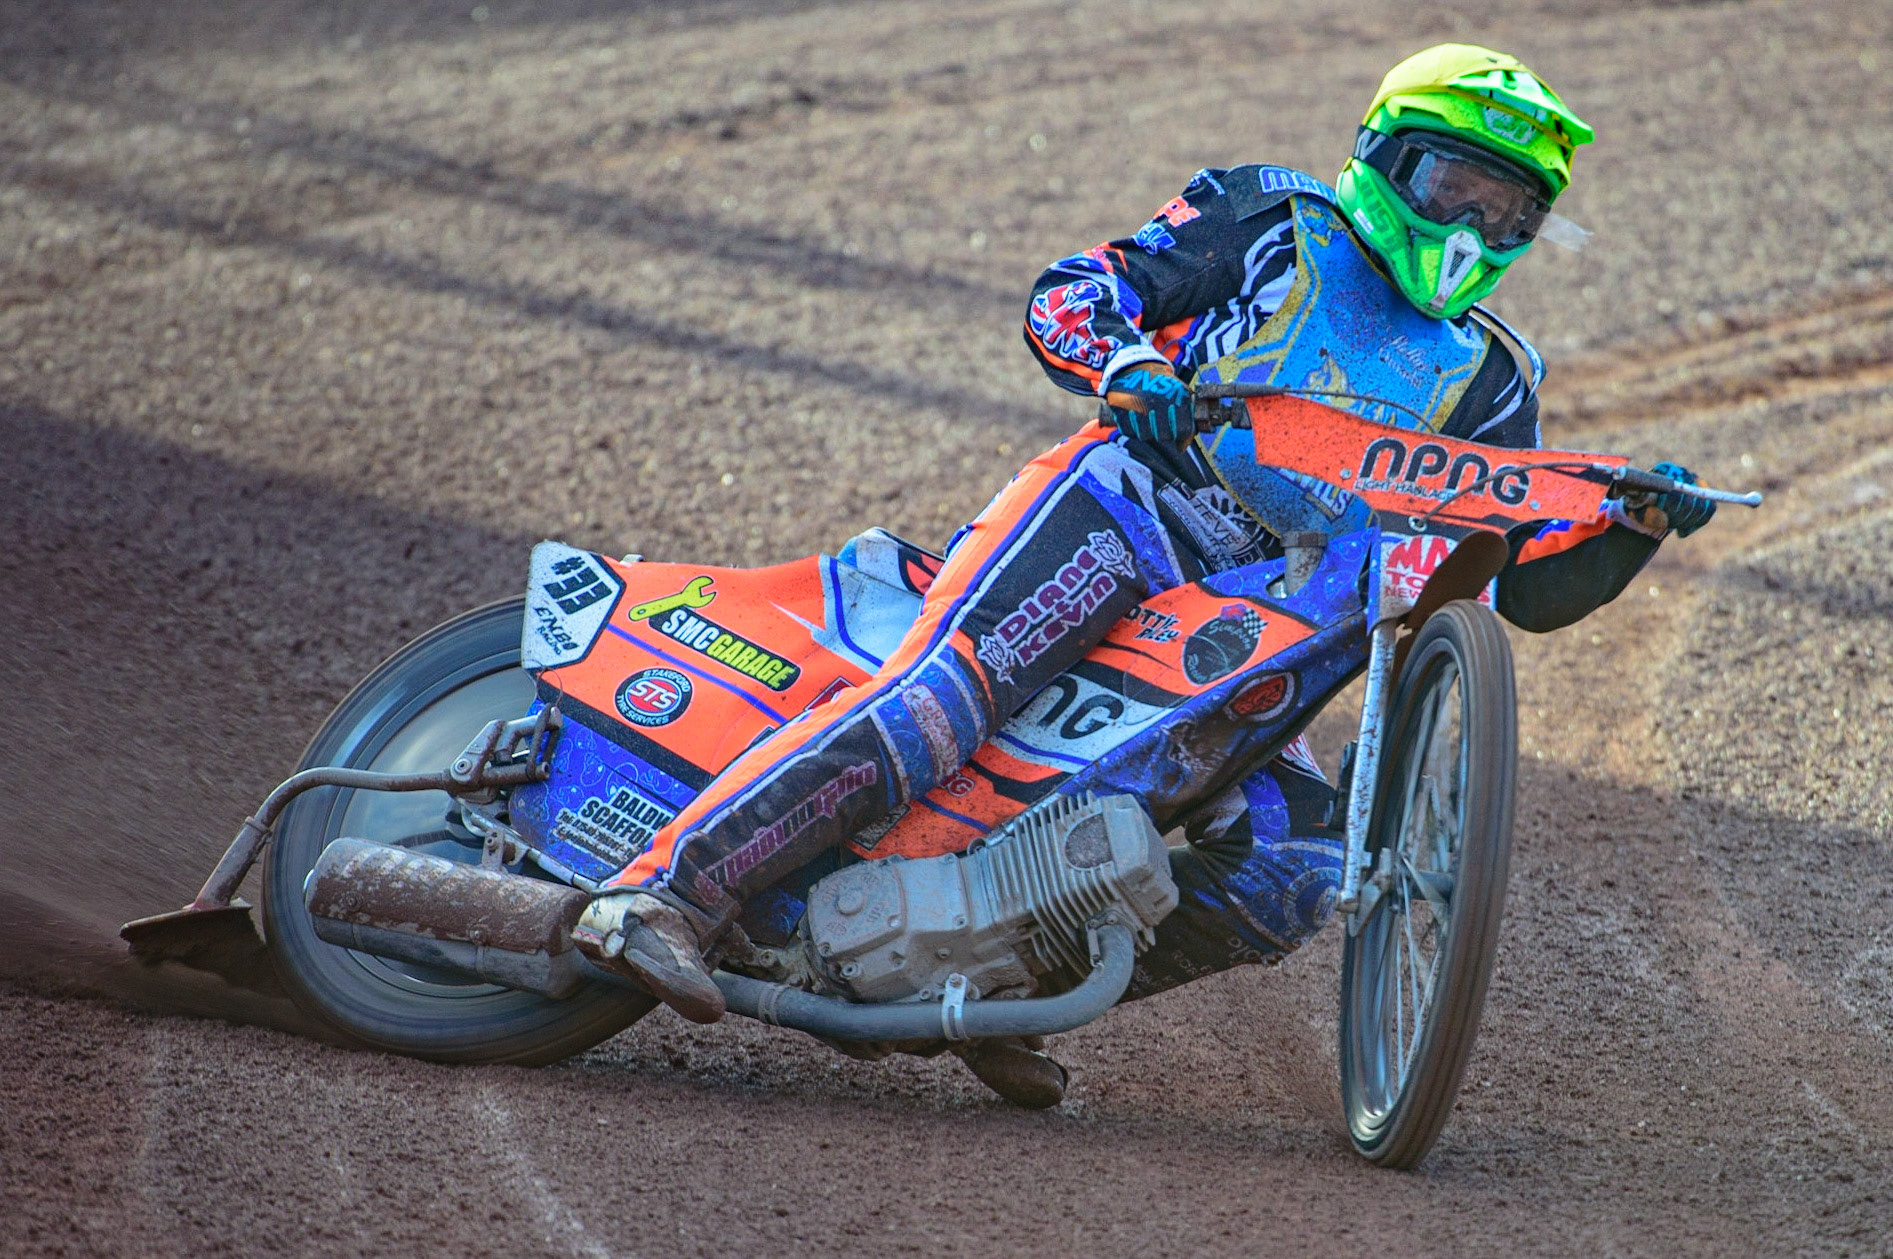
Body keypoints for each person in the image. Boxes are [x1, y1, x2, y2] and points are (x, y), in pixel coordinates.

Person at [574, 44, 1712, 1072]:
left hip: (1262, 613)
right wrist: (1128, 367)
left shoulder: (1497, 383)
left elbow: (1518, 583)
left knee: (1296, 872)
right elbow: (1073, 291)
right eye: (1451, 186)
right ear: (1383, 157)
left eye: (1508, 210)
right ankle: (659, 894)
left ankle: (1001, 994)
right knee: (938, 707)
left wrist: (1631, 531)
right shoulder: (1275, 218)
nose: (1470, 226)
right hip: (1129, 509)